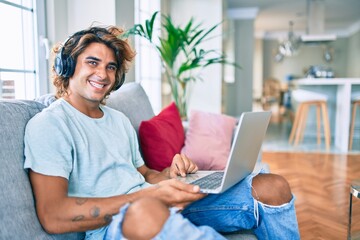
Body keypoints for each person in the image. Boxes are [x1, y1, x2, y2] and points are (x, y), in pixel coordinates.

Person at [24, 25, 300, 240]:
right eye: (92, 62)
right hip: (118, 225)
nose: (104, 74)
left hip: (159, 203)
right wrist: (149, 198)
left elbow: (144, 175)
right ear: (67, 66)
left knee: (271, 185)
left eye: (111, 67)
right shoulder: (50, 125)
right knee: (145, 211)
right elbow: (53, 214)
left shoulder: (118, 120)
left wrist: (171, 175)